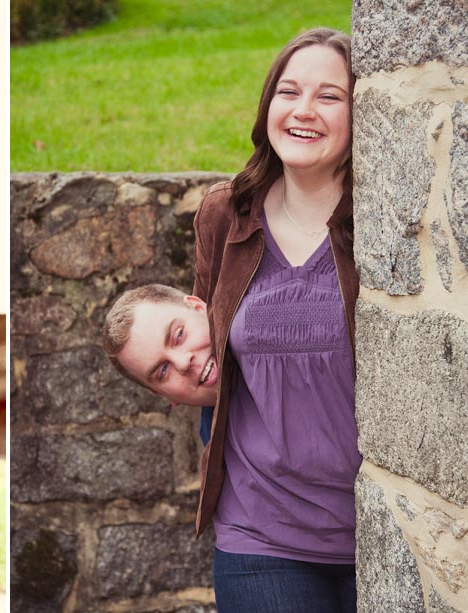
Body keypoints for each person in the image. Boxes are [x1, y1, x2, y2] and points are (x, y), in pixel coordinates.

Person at [191, 28, 360, 612]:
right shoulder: (226, 214)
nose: (303, 111)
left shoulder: (381, 224)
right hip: (261, 536)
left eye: (330, 97)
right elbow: (201, 352)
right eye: (289, 92)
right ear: (268, 106)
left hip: (383, 527)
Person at [102, 283, 217, 443]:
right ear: (163, 394)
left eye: (179, 335)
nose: (183, 362)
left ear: (199, 308)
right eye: (163, 370)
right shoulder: (216, 451)